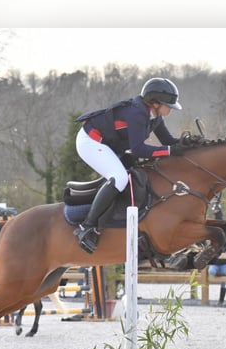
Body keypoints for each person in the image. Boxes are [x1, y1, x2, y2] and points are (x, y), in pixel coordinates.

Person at [73, 77, 201, 254]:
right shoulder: (137, 114)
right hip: (91, 141)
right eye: (168, 105)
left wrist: (187, 142)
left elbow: (168, 141)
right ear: (155, 103)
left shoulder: (154, 116)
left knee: (138, 171)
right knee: (119, 177)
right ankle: (86, 227)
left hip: (109, 144)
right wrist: (171, 151)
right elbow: (139, 149)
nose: (170, 109)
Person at [207, 204, 226, 306]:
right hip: (217, 262)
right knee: (212, 271)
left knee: (224, 281)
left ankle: (221, 301)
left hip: (224, 262)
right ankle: (220, 275)